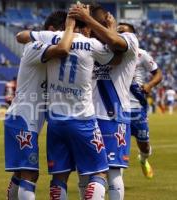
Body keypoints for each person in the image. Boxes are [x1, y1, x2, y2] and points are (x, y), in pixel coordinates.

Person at [17, 5, 123, 199]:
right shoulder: (92, 45)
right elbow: (117, 54)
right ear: (87, 27)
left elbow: (22, 36)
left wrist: (52, 32)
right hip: (83, 119)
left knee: (58, 178)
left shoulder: (52, 38)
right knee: (98, 173)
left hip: (56, 121)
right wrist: (110, 28)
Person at [5, 10, 77, 200]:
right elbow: (62, 49)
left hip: (28, 117)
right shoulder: (36, 46)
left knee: (21, 173)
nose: (69, 37)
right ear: (53, 30)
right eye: (64, 32)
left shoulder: (48, 55)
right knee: (30, 174)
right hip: (23, 117)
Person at [70, 4, 139, 200]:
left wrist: (92, 22)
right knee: (86, 174)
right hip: (87, 116)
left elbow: (115, 42)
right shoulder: (90, 47)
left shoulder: (129, 40)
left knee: (112, 172)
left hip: (112, 115)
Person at [117, 22, 163, 179]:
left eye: (123, 32)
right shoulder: (110, 53)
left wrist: (149, 85)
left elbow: (158, 74)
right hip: (118, 107)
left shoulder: (142, 54)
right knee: (118, 144)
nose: (119, 34)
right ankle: (116, 182)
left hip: (137, 106)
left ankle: (143, 159)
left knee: (144, 144)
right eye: (118, 32)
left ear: (133, 37)